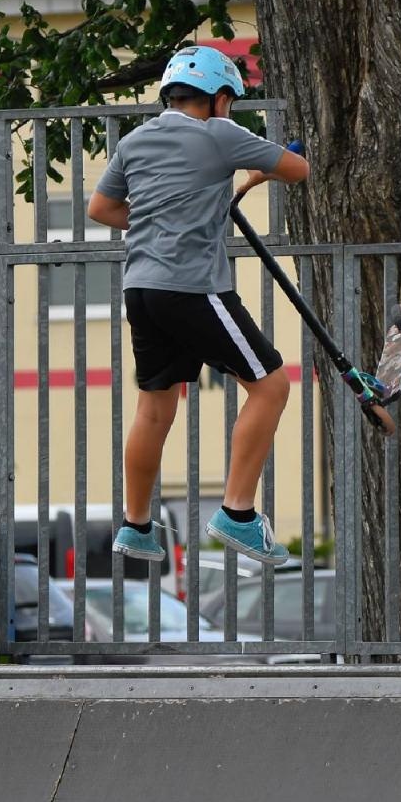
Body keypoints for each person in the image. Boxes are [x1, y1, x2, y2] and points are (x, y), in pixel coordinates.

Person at [86, 45, 308, 568]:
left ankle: (136, 525)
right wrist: (264, 167)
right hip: (192, 287)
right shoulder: (220, 133)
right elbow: (298, 169)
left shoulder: (135, 141)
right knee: (271, 386)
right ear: (219, 98)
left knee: (155, 407)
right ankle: (237, 512)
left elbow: (101, 208)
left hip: (141, 289)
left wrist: (157, 221)